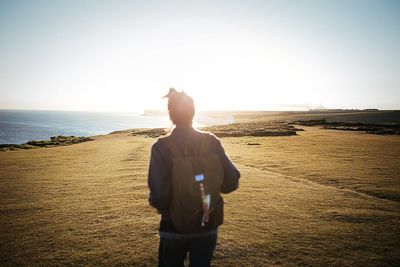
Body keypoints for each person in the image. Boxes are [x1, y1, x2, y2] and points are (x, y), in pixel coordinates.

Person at [148, 88, 240, 267]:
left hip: (173, 226)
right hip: (208, 223)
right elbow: (231, 182)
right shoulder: (211, 141)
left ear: (170, 114)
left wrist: (166, 206)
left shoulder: (161, 147)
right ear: (194, 112)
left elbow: (159, 194)